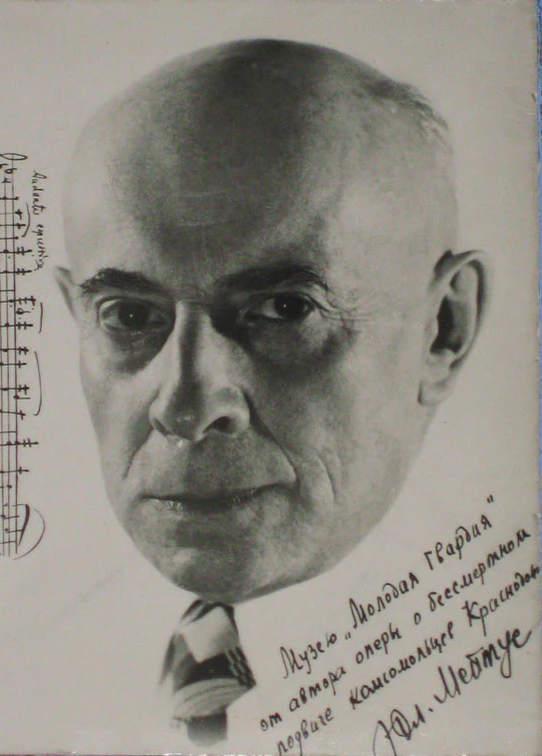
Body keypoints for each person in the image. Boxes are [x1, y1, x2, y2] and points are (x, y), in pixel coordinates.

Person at [56, 38, 489, 745]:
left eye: (285, 310)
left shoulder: (500, 694)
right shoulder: (9, 665)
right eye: (129, 317)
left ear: (443, 328)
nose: (186, 408)